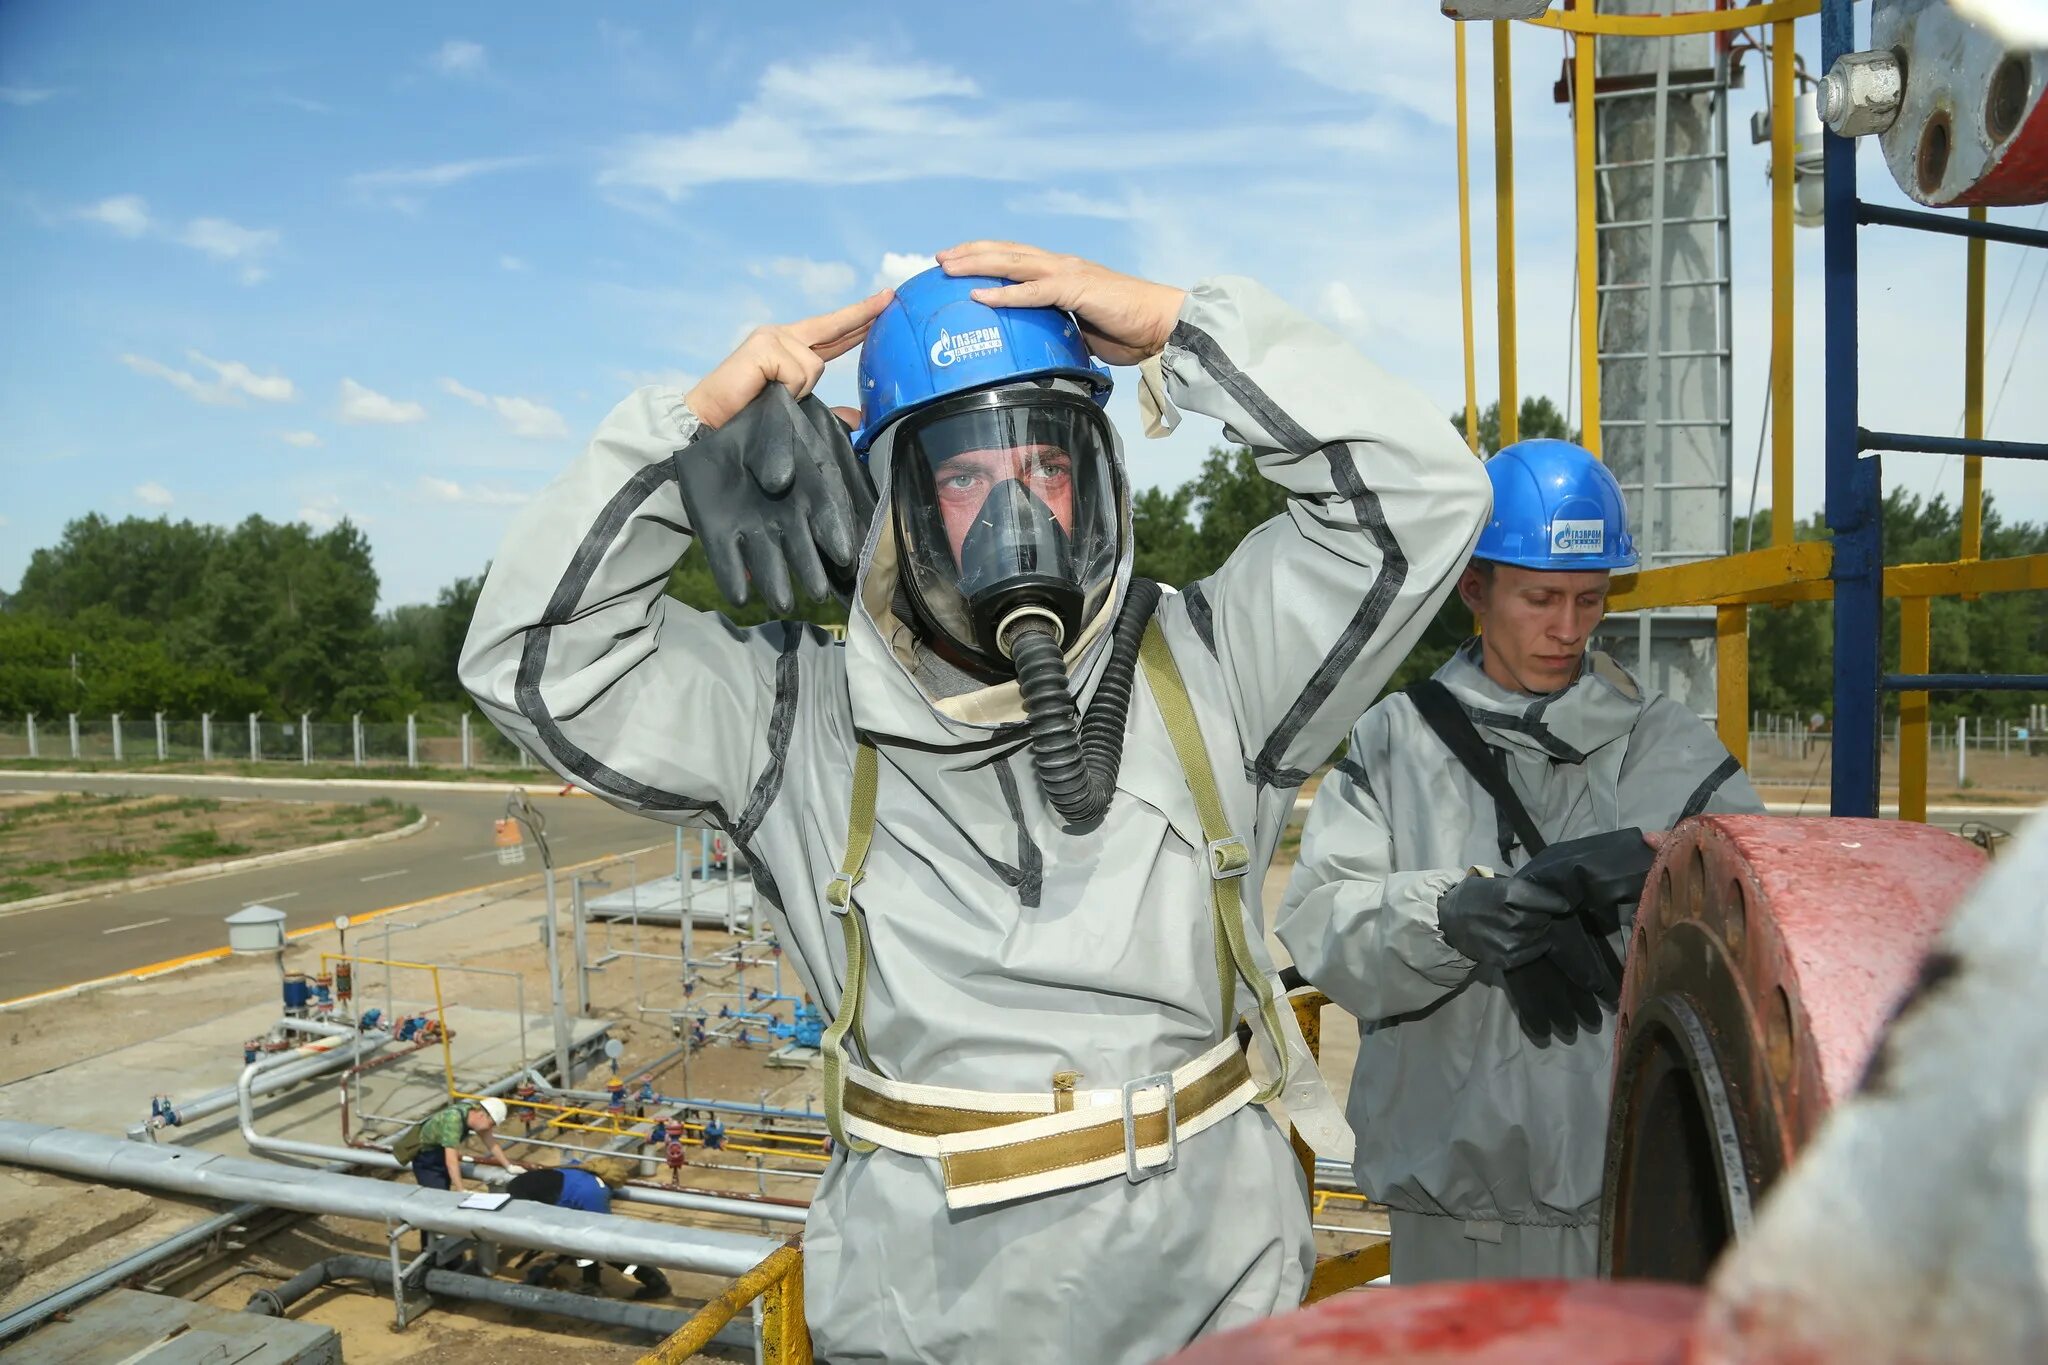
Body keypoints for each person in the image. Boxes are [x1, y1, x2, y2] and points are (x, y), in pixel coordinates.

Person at [462, 241, 1491, 1362]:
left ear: (1092, 477)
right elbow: (530, 661)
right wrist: (676, 442)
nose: (1017, 515)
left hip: (1211, 1291)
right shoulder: (795, 716)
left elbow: (1426, 498)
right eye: (963, 478)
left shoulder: (1212, 664)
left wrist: (1181, 329)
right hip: (928, 1314)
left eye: (1044, 469)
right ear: (891, 497)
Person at [1274, 438, 1765, 1284]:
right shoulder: (1396, 744)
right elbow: (1320, 922)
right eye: (1540, 597)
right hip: (1451, 1226)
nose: (1568, 629)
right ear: (1473, 587)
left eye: (1590, 599)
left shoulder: (1669, 749)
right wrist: (1444, 916)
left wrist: (1664, 873)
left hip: (1634, 1206)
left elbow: (1764, 914)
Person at [507, 1155, 673, 1301]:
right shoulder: (594, 1191)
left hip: (523, 1192)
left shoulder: (578, 1168)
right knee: (605, 1249)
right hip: (534, 1203)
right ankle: (651, 1280)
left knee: (587, 1245)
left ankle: (595, 1279)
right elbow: (603, 1235)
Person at [392, 1095, 516, 1194]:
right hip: (427, 1160)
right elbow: (451, 1160)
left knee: (444, 1191)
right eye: (491, 1124)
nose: (490, 1128)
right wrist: (461, 1189)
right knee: (437, 1200)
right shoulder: (453, 1121)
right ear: (482, 1115)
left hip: (439, 1153)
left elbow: (491, 1142)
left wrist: (508, 1166)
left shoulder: (472, 1110)